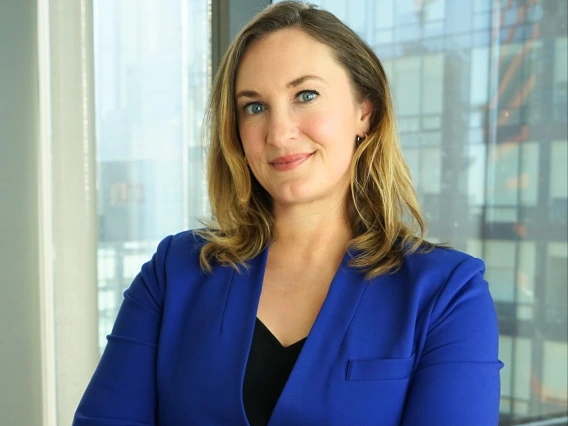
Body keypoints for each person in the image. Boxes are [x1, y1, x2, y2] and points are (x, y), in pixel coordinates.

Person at [73, 1, 503, 425]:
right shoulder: (174, 273)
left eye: (306, 95)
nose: (279, 133)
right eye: (254, 107)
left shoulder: (447, 293)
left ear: (364, 112)